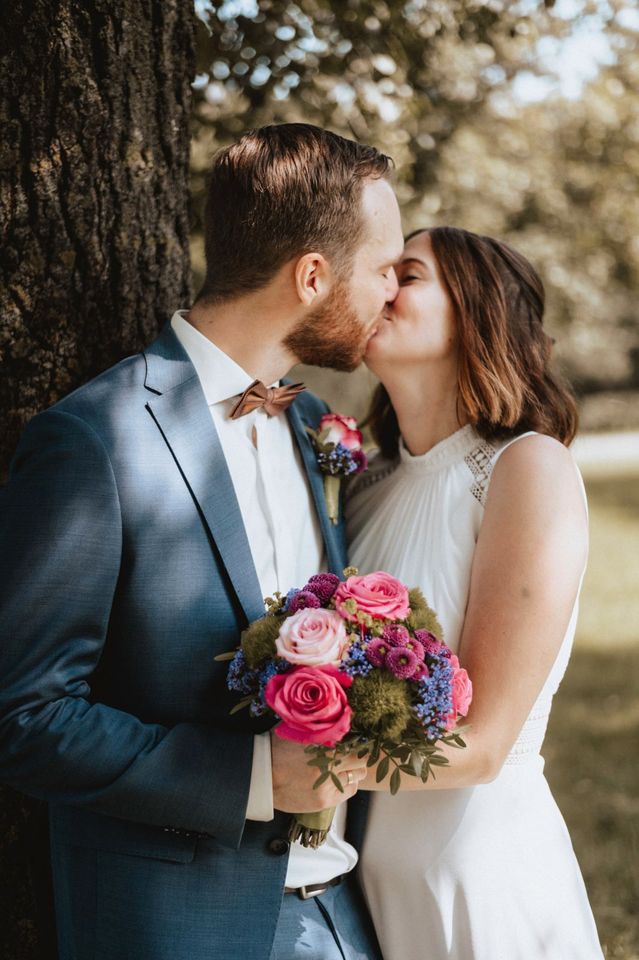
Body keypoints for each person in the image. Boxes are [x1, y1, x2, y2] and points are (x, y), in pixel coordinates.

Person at [0, 124, 404, 960]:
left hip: (343, 913)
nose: (392, 293)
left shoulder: (308, 424)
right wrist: (255, 778)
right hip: (175, 925)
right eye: (383, 267)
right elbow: (24, 715)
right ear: (312, 276)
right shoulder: (93, 440)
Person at [347, 226, 604, 959]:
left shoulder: (527, 469)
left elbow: (485, 744)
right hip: (366, 878)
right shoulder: (365, 485)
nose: (381, 286)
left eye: (409, 274)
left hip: (478, 867)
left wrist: (280, 777)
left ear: (477, 311)